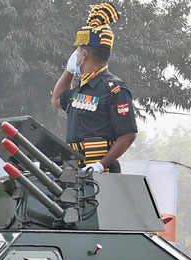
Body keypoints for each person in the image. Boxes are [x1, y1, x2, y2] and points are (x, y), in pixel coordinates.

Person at [51, 2, 137, 174]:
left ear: (84, 55)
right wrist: (69, 71)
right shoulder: (81, 89)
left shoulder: (114, 89)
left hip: (101, 173)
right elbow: (57, 100)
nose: (76, 54)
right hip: (74, 169)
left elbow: (128, 134)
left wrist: (101, 164)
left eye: (78, 50)